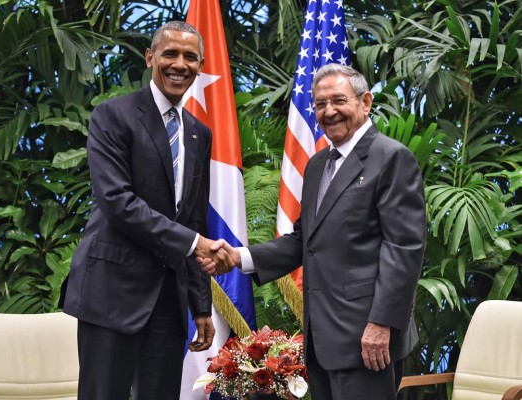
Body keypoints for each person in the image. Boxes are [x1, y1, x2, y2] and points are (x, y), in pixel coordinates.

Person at [199, 64, 426, 399]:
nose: (329, 111)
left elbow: (404, 248)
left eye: (338, 101)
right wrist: (238, 257)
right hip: (322, 338)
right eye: (320, 104)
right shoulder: (318, 164)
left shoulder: (392, 158)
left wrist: (382, 325)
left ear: (365, 102)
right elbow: (306, 241)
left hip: (368, 338)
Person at [61, 21, 233, 400]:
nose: (180, 64)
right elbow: (118, 203)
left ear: (201, 66)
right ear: (150, 57)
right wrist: (193, 242)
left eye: (190, 57)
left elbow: (192, 220)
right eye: (170, 53)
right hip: (111, 293)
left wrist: (200, 305)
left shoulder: (198, 134)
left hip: (168, 303)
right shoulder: (113, 115)